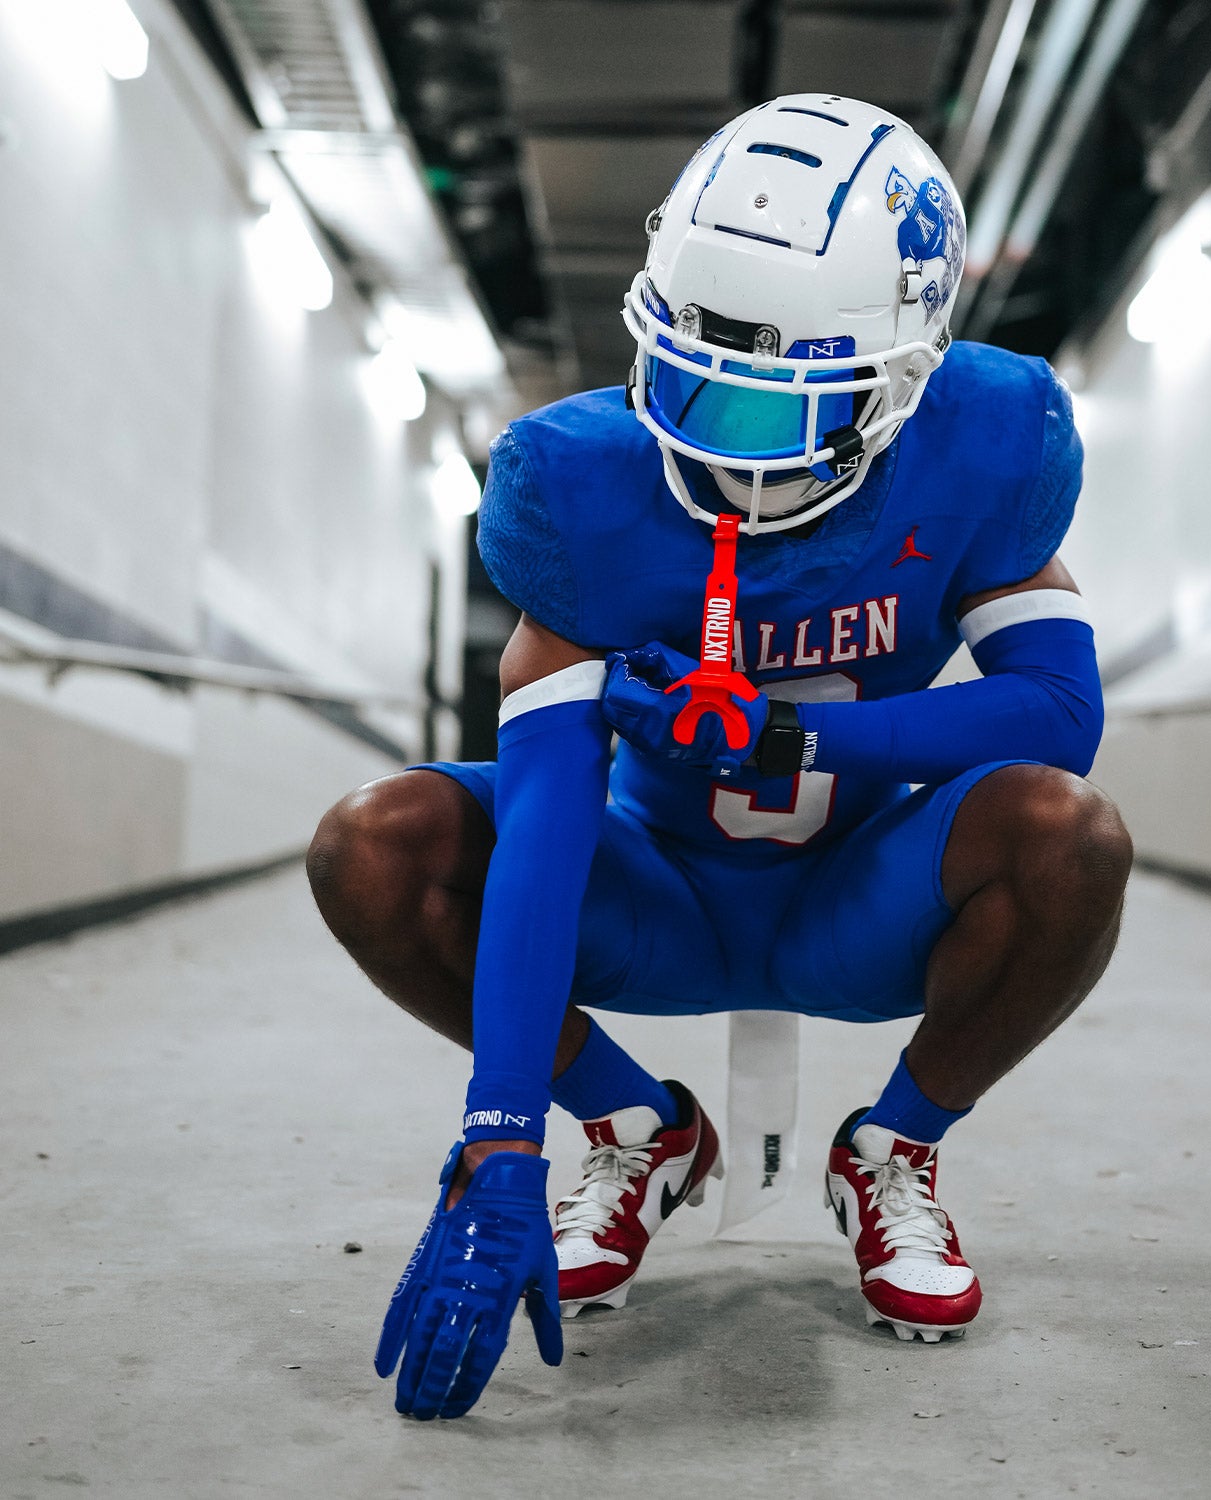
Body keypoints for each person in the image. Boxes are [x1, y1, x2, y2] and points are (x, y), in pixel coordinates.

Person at [308, 93, 1132, 1421]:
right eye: (694, 377)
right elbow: (546, 821)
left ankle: (897, 1147)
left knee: (1071, 834)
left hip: (859, 897)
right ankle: (635, 1127)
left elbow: (1056, 712)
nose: (716, 441)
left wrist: (795, 728)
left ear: (905, 376)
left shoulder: (987, 435)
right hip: (661, 891)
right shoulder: (579, 479)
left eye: (774, 404)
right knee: (373, 843)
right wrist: (503, 1128)